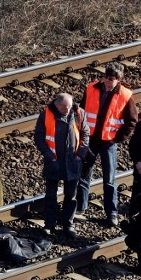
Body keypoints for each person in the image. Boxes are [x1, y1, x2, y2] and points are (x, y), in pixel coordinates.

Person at [76, 62, 137, 227]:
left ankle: (112, 213)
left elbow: (131, 122)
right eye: (105, 77)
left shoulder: (125, 95)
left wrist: (116, 139)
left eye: (111, 79)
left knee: (109, 179)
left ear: (119, 79)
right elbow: (81, 111)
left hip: (108, 143)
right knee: (84, 173)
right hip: (91, 139)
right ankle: (80, 207)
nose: (107, 81)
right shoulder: (91, 88)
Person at [34, 93, 90, 238]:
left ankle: (68, 224)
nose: (67, 110)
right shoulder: (46, 115)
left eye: (69, 107)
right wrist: (50, 157)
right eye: (64, 108)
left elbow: (85, 134)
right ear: (57, 105)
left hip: (72, 162)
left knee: (71, 196)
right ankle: (49, 224)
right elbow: (39, 137)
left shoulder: (78, 113)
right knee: (51, 195)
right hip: (54, 162)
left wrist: (80, 155)